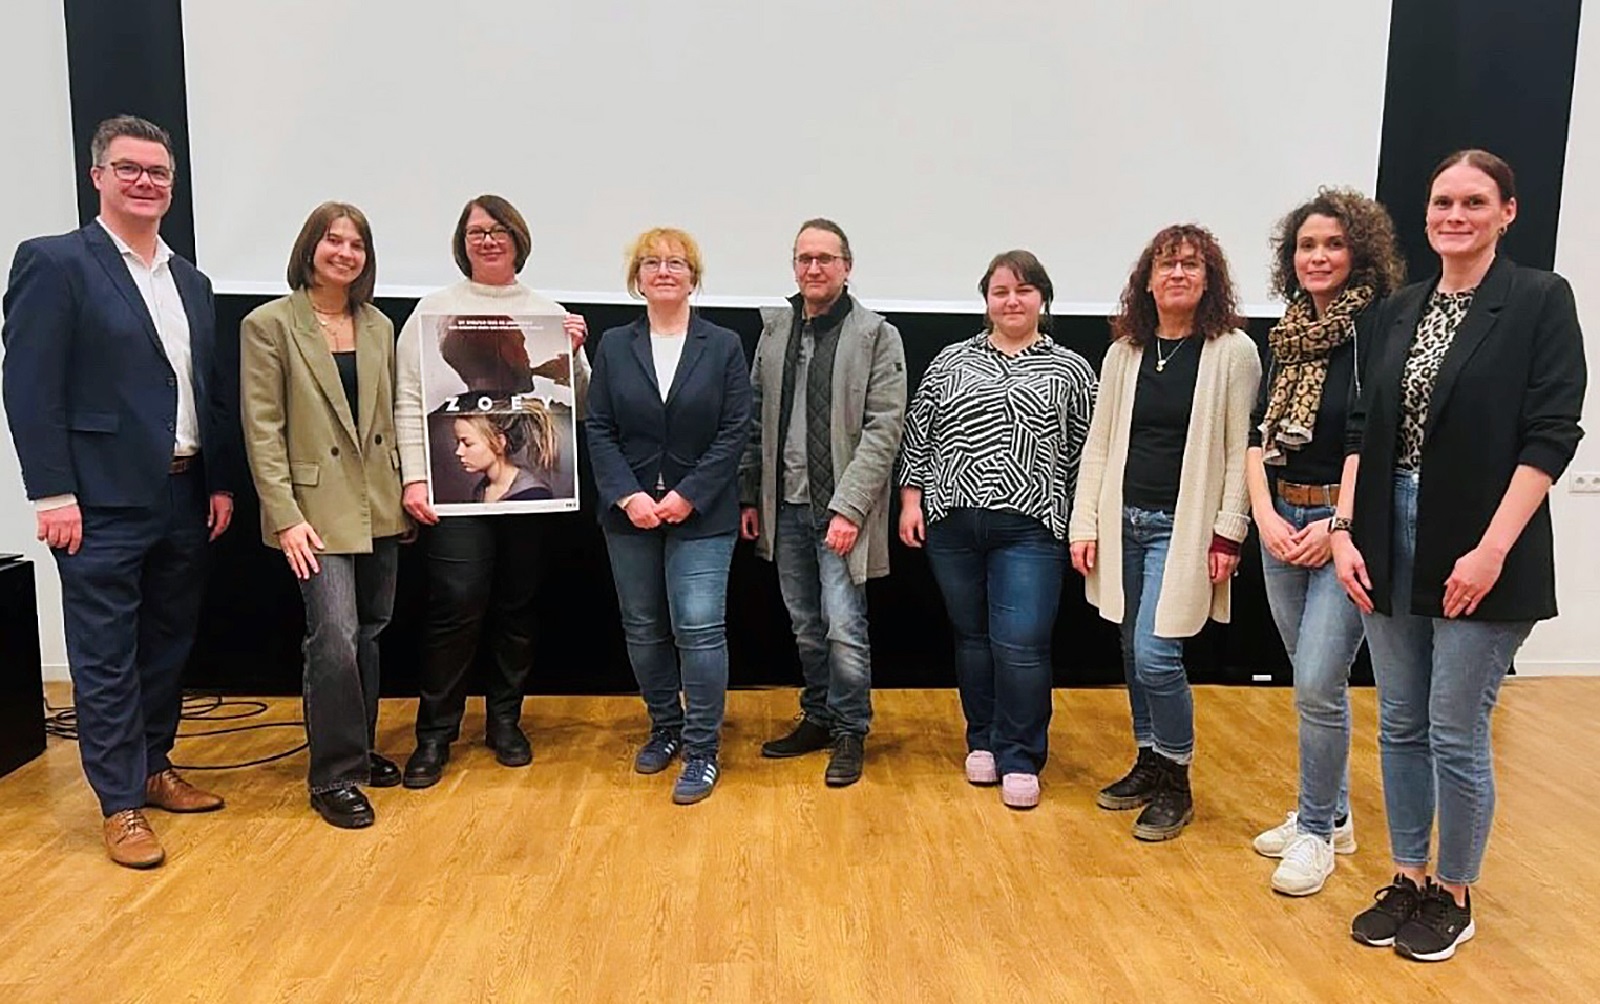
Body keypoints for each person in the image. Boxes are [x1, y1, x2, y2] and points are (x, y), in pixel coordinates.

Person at [1333, 150, 1586, 962]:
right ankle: (1407, 876)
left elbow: (1552, 436)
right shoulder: (1398, 309)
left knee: (1454, 728)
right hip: (1385, 532)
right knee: (1400, 723)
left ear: (1507, 211)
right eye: (1443, 200)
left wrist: (1491, 550)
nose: (1455, 215)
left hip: (1484, 541)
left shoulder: (1541, 300)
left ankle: (1454, 892)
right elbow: (1362, 433)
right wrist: (1343, 530)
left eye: (1475, 201)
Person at [1, 115, 240, 869]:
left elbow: (205, 390)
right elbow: (29, 387)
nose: (146, 182)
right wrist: (51, 495)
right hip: (98, 501)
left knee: (165, 646)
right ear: (98, 175)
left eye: (159, 173)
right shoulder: (56, 262)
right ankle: (120, 805)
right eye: (130, 169)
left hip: (184, 491)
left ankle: (154, 765)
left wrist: (221, 480)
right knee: (104, 655)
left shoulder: (191, 280)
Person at [1069, 224, 1261, 840]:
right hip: (1121, 522)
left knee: (1157, 653)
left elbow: (1240, 451)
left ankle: (1176, 776)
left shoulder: (1232, 352)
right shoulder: (1124, 353)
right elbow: (1098, 448)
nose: (1178, 273)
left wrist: (1230, 529)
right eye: (1167, 264)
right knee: (1130, 648)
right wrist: (1085, 521)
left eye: (1191, 265)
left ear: (1209, 281)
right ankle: (1148, 758)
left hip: (1180, 530)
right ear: (1147, 280)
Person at [396, 195, 589, 788]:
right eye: (477, 231)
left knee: (517, 606)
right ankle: (435, 733)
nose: (488, 239)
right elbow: (407, 401)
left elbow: (579, 405)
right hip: (455, 497)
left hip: (532, 493)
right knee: (455, 606)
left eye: (499, 229)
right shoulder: (433, 311)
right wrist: (413, 476)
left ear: (518, 239)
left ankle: (505, 722)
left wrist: (576, 357)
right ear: (462, 242)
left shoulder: (546, 311)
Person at [1247, 189, 1406, 896]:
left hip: (1343, 530)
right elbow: (1257, 436)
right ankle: (1332, 813)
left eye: (1333, 245)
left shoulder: (1375, 328)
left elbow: (1367, 435)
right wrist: (1267, 516)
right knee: (1314, 684)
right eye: (1306, 246)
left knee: (1317, 681)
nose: (1317, 257)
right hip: (1283, 521)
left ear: (1360, 253)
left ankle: (1315, 831)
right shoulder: (1288, 335)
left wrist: (1334, 524)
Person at [898, 250, 1097, 809]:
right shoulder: (950, 360)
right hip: (952, 523)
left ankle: (1021, 753)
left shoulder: (1073, 370)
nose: (1012, 301)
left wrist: (1086, 524)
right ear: (985, 301)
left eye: (1024, 290)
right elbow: (920, 435)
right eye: (1000, 292)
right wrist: (911, 501)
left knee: (1023, 645)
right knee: (973, 639)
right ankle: (981, 739)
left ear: (1042, 299)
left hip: (1031, 529)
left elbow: (1089, 455)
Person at [240, 201, 406, 830]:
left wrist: (403, 494)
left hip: (377, 506)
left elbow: (388, 418)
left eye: (356, 244)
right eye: (332, 240)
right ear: (309, 248)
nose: (344, 252)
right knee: (332, 637)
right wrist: (284, 516)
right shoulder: (269, 325)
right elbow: (263, 430)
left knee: (369, 630)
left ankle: (359, 751)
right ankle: (333, 775)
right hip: (312, 512)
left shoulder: (379, 326)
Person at [739, 218, 907, 787]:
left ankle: (852, 730)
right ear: (795, 267)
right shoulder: (775, 330)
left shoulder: (876, 335)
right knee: (806, 623)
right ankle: (818, 716)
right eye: (804, 258)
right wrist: (747, 491)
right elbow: (754, 418)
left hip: (841, 512)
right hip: (785, 506)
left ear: (847, 266)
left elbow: (885, 430)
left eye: (826, 259)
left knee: (845, 626)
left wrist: (850, 508)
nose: (814, 268)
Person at [586, 227, 752, 804]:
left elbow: (736, 430)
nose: (664, 271)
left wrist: (687, 494)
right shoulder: (612, 346)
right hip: (629, 514)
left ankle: (703, 750)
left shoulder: (724, 344)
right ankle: (667, 727)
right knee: (643, 628)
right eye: (652, 263)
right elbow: (598, 427)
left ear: (693, 277)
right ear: (637, 278)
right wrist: (629, 495)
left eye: (676, 263)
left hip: (702, 514)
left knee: (699, 628)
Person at [452, 409, 560, 502]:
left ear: (499, 442)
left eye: (467, 444)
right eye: (458, 443)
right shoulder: (481, 490)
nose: (459, 452)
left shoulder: (534, 495)